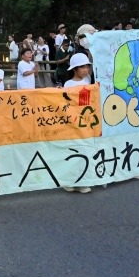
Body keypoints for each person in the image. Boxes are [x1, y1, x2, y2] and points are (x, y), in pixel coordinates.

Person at [62, 53, 94, 193]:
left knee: (85, 151)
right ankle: (68, 181)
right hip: (73, 123)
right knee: (73, 151)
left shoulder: (87, 80)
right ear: (74, 69)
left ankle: (83, 182)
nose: (85, 70)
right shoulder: (68, 84)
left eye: (87, 66)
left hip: (86, 121)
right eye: (82, 67)